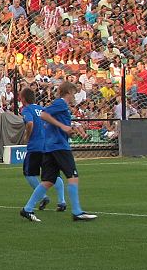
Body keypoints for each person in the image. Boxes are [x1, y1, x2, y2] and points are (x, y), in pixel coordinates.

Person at [23, 80, 97, 222]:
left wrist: (67, 130)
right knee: (73, 177)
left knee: (48, 181)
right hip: (59, 147)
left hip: (50, 147)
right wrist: (63, 127)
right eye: (74, 93)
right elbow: (44, 115)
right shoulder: (61, 103)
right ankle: (77, 212)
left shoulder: (62, 106)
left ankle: (27, 209)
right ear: (69, 92)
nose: (75, 96)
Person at [19, 84, 66, 213]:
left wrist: (27, 136)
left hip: (35, 147)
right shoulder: (42, 109)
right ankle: (62, 201)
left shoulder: (26, 110)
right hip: (48, 146)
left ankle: (43, 196)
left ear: (23, 99)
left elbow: (29, 123)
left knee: (28, 173)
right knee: (53, 174)